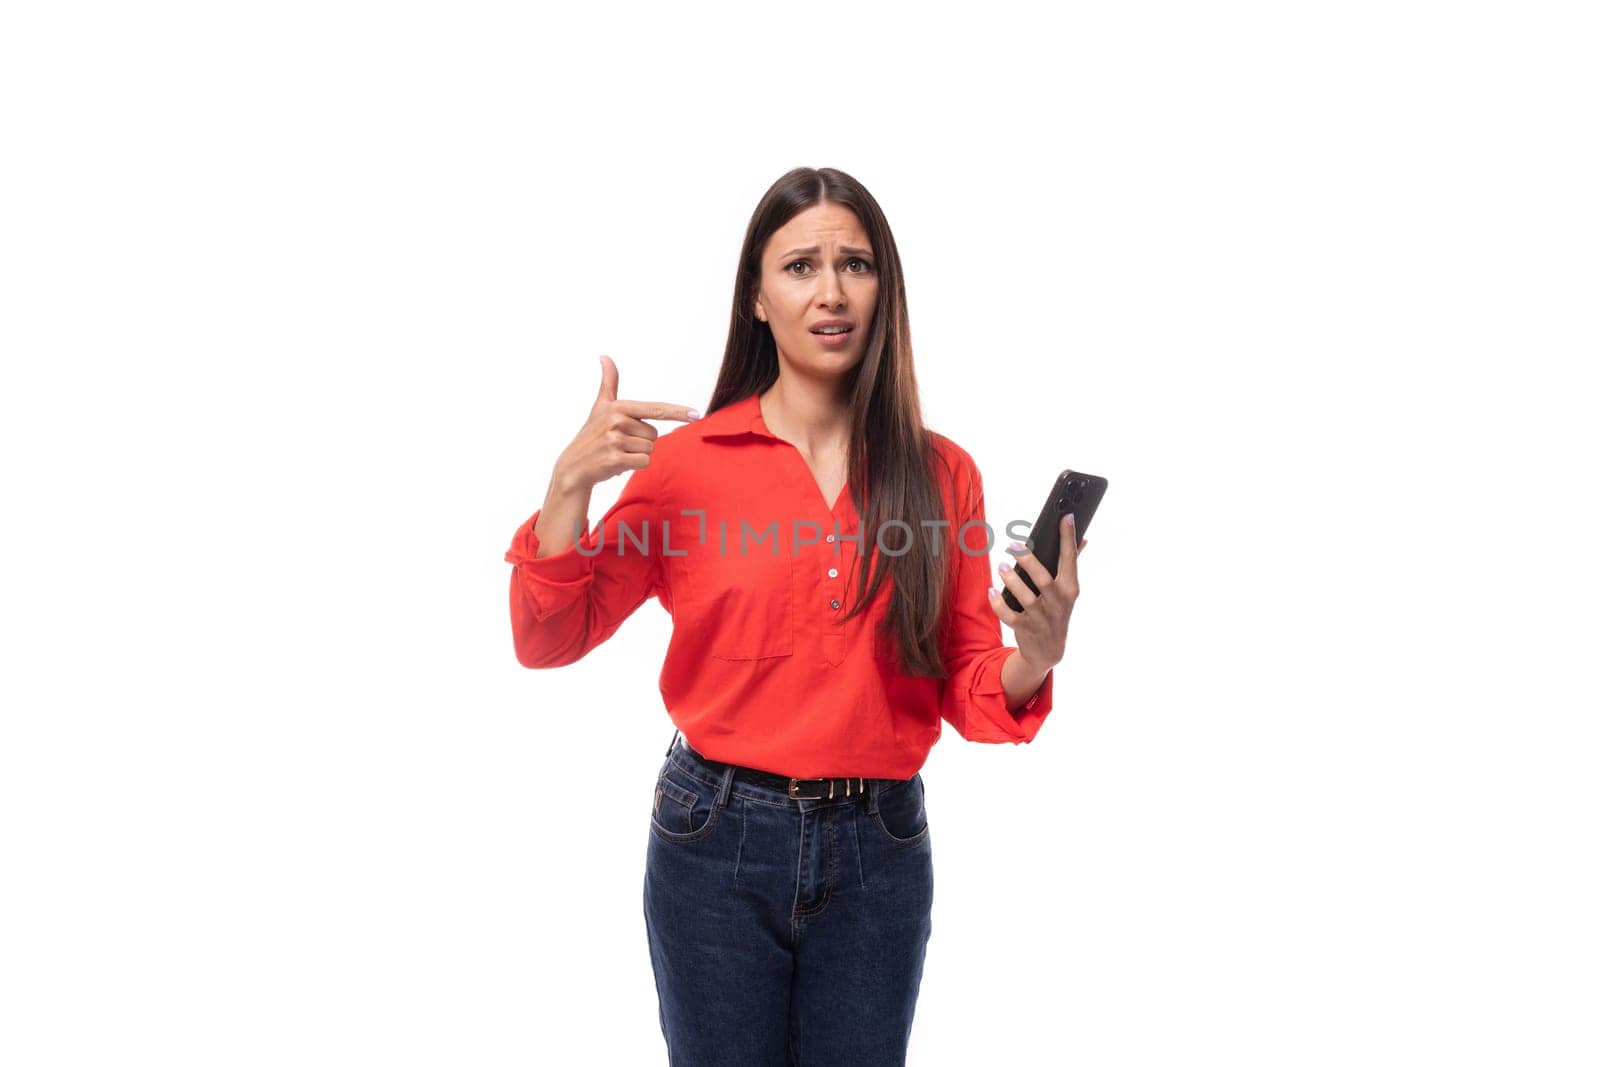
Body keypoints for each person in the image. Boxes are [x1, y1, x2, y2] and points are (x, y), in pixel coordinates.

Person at [504, 166, 1088, 1065]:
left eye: (854, 264)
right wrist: (566, 490)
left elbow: (971, 688)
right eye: (800, 266)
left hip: (879, 854)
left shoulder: (942, 475)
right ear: (757, 298)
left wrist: (1035, 653)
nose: (830, 291)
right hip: (713, 843)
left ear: (883, 289)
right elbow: (547, 639)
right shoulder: (687, 468)